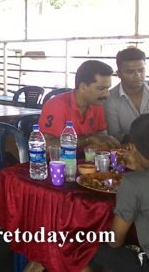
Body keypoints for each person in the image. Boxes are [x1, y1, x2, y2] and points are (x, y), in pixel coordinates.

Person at [81, 113, 149, 272]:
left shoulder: (134, 183)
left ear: (132, 148)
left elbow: (115, 241)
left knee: (78, 246)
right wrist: (141, 167)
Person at [39, 60, 120, 150]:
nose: (107, 94)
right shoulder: (56, 106)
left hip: (87, 161)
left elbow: (102, 139)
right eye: (101, 88)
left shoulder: (97, 104)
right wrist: (88, 139)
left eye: (108, 88)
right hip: (57, 162)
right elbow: (45, 146)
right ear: (83, 87)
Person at [103, 47, 149, 143]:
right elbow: (113, 135)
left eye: (141, 70)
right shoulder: (110, 99)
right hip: (127, 150)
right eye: (130, 72)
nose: (137, 76)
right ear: (118, 74)